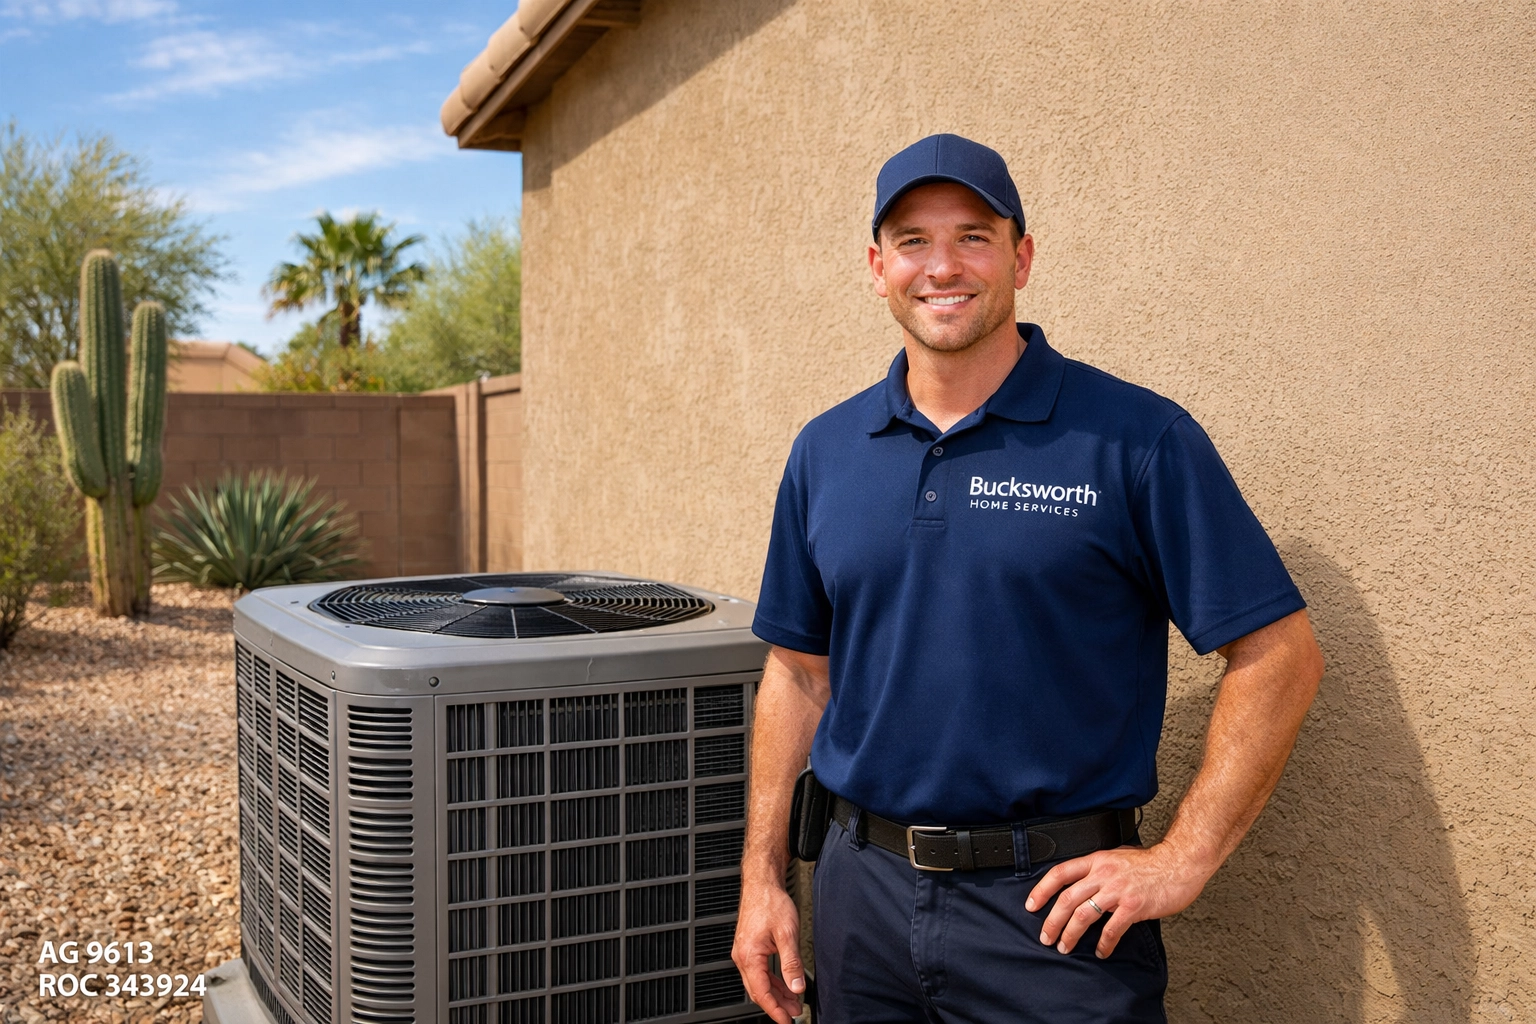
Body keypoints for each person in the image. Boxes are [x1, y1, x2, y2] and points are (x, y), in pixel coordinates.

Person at [732, 134, 1325, 1024]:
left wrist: (1183, 857)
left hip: (1049, 922)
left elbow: (1279, 654)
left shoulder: (1135, 438)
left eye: (973, 236)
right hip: (861, 902)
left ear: (1023, 256)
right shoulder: (825, 450)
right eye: (912, 242)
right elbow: (797, 672)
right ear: (876, 265)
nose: (942, 266)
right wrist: (763, 880)